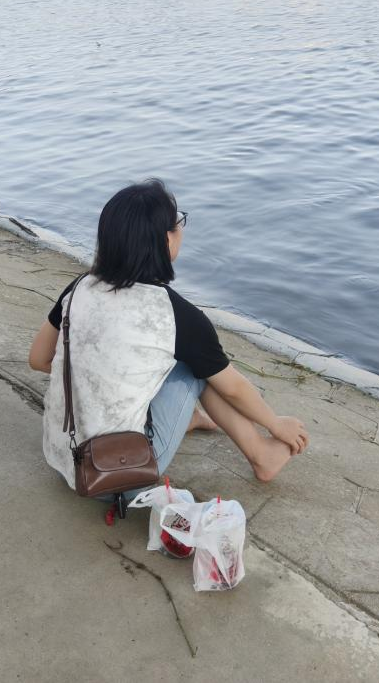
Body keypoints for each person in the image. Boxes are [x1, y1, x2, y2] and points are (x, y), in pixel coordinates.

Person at [27, 179, 309, 495]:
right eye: (179, 222)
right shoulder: (174, 314)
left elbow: (38, 358)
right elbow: (233, 388)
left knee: (151, 358)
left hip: (63, 457)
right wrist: (275, 423)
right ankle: (262, 454)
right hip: (119, 475)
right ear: (165, 240)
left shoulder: (79, 288)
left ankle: (187, 419)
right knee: (197, 369)